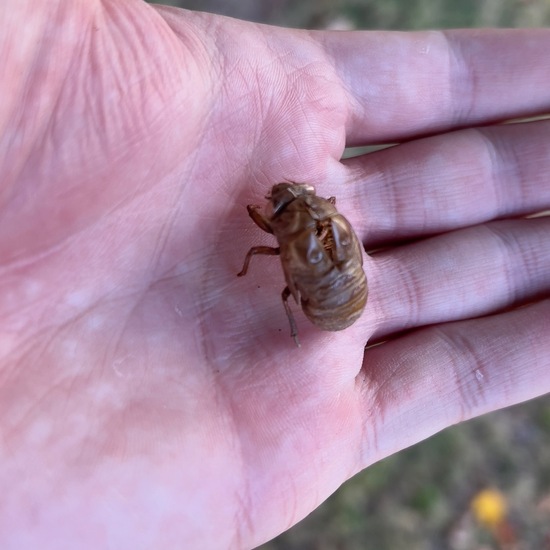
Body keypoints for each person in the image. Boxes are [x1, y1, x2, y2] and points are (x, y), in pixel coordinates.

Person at [1, 1, 549, 548]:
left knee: (292, 288)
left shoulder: (286, 235)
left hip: (331, 297)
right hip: (335, 293)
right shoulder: (312, 224)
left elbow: (275, 233)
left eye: (293, 201)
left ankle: (301, 315)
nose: (288, 198)